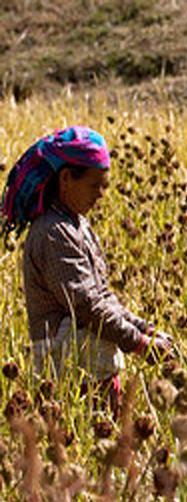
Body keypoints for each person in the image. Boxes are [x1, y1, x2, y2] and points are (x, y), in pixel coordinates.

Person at [2, 126, 173, 418]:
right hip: (72, 374)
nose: (102, 195)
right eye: (95, 185)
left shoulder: (76, 225)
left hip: (92, 366)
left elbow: (102, 296)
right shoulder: (52, 233)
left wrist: (143, 326)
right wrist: (139, 342)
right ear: (66, 179)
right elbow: (86, 305)